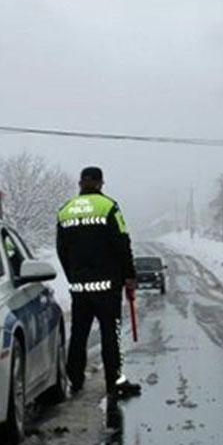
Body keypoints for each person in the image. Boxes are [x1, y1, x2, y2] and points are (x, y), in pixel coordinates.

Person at [56, 166, 142, 399]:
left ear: (80, 183)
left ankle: (75, 379)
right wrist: (129, 276)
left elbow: (61, 250)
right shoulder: (109, 207)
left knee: (79, 334)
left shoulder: (65, 210)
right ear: (100, 183)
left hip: (79, 286)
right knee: (110, 334)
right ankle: (114, 382)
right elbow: (122, 243)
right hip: (107, 286)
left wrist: (73, 275)